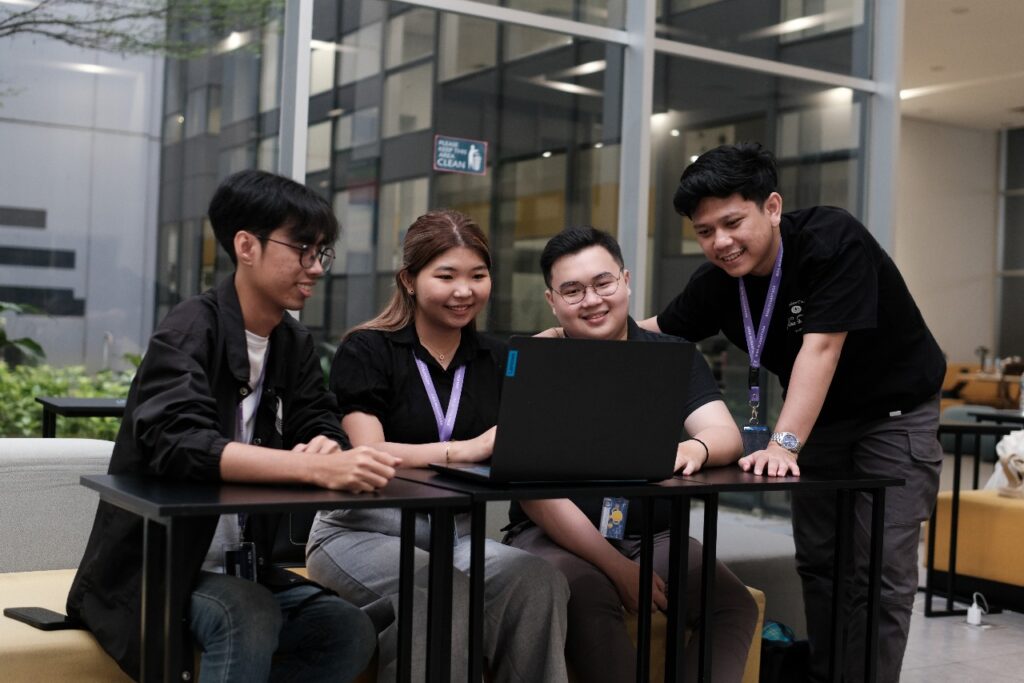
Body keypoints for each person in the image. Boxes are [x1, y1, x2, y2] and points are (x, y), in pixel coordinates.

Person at [67, 169, 398, 682]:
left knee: (345, 627)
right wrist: (304, 469)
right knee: (247, 610)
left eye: (321, 253)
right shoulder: (188, 330)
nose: (315, 267)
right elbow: (183, 445)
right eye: (302, 250)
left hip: (242, 563)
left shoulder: (292, 342)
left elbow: (319, 416)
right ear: (247, 245)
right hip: (158, 565)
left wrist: (326, 449)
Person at [642, 142, 945, 682]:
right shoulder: (718, 284)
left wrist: (783, 444)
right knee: (822, 567)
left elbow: (821, 348)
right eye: (705, 231)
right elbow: (656, 333)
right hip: (821, 421)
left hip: (894, 416)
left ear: (772, 207)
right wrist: (572, 334)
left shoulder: (832, 240)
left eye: (732, 222)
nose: (721, 242)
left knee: (878, 574)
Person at [306, 209, 570, 682]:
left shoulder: (498, 359)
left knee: (539, 579)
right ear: (408, 279)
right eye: (445, 275)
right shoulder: (366, 349)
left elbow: (519, 450)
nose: (464, 291)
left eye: (478, 275)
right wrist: (465, 449)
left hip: (455, 537)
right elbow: (371, 454)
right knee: (437, 590)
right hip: (362, 530)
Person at [506, 226, 758, 682]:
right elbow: (532, 492)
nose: (592, 300)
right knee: (588, 594)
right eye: (573, 290)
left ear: (625, 280)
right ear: (552, 301)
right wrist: (617, 566)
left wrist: (692, 446)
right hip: (557, 537)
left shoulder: (670, 354)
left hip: (653, 536)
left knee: (731, 604)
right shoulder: (539, 359)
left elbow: (725, 434)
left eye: (603, 283)